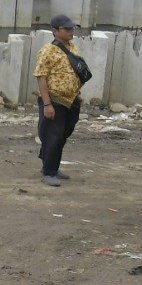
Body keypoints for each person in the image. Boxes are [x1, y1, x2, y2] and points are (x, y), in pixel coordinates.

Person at [33, 15, 89, 185]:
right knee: (54, 136)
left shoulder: (72, 47)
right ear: (55, 31)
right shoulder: (47, 50)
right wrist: (47, 103)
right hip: (55, 100)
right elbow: (41, 77)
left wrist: (77, 93)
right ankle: (49, 172)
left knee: (64, 134)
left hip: (71, 100)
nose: (71, 31)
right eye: (67, 29)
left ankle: (52, 166)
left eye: (72, 28)